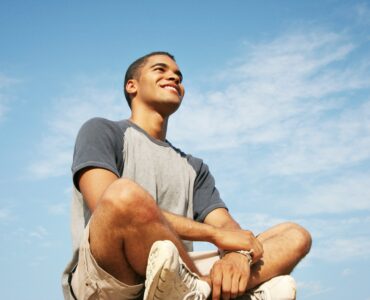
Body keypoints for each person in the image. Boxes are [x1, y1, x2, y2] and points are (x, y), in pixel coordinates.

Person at [62, 51, 312, 300]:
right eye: (160, 70)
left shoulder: (195, 167)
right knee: (123, 195)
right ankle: (224, 293)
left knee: (295, 235)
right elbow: (105, 202)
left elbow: (225, 226)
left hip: (179, 274)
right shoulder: (102, 130)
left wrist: (238, 256)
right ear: (132, 86)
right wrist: (213, 235)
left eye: (179, 76)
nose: (173, 77)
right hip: (111, 277)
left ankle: (203, 289)